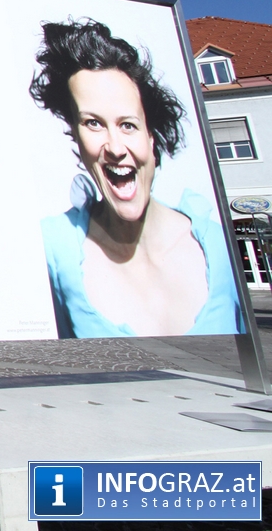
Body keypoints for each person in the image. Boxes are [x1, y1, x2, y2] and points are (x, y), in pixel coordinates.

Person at [29, 19, 242, 338]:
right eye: (93, 123)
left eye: (128, 125)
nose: (114, 148)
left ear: (152, 137)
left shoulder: (218, 244)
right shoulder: (51, 246)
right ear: (76, 136)